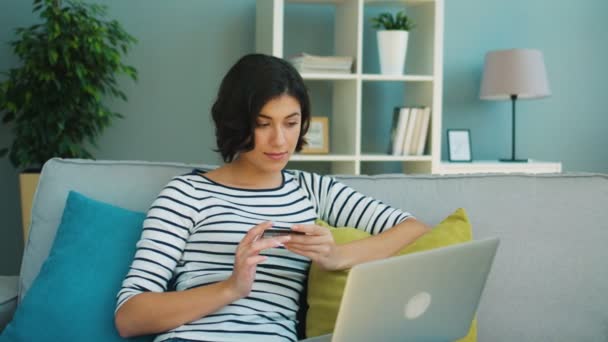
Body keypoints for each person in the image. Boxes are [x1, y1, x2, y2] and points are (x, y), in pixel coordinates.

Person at [114, 53, 431, 342]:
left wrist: (336, 257)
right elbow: (130, 317)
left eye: (291, 123)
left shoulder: (312, 190)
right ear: (236, 123)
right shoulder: (187, 193)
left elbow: (413, 229)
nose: (280, 140)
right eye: (262, 124)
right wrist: (231, 287)